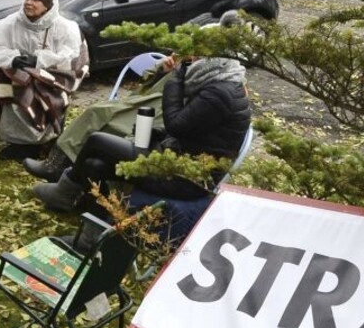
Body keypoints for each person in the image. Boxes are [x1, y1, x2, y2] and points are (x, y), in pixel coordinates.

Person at [32, 38, 251, 235]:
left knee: (97, 141)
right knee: (93, 164)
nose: (190, 59)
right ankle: (90, 237)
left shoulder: (218, 94)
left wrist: (175, 78)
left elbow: (175, 124)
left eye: (196, 56)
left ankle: (65, 189)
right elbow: (189, 130)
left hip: (184, 176)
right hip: (173, 159)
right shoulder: (219, 84)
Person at [0, 0, 87, 160]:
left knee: (34, 90)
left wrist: (39, 60)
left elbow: (71, 57)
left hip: (57, 75)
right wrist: (12, 59)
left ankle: (41, 141)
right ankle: (19, 142)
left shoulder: (66, 27)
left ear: (48, 5)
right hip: (22, 74)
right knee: (4, 83)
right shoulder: (14, 22)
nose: (29, 3)